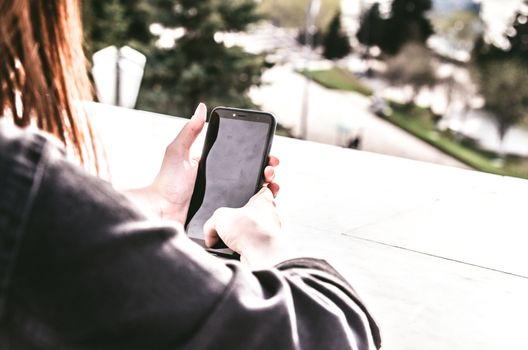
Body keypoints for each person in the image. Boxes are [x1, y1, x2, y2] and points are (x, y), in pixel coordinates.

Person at [0, 1, 382, 349]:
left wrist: (158, 204)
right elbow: (331, 333)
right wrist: (261, 239)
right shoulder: (15, 174)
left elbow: (48, 242)